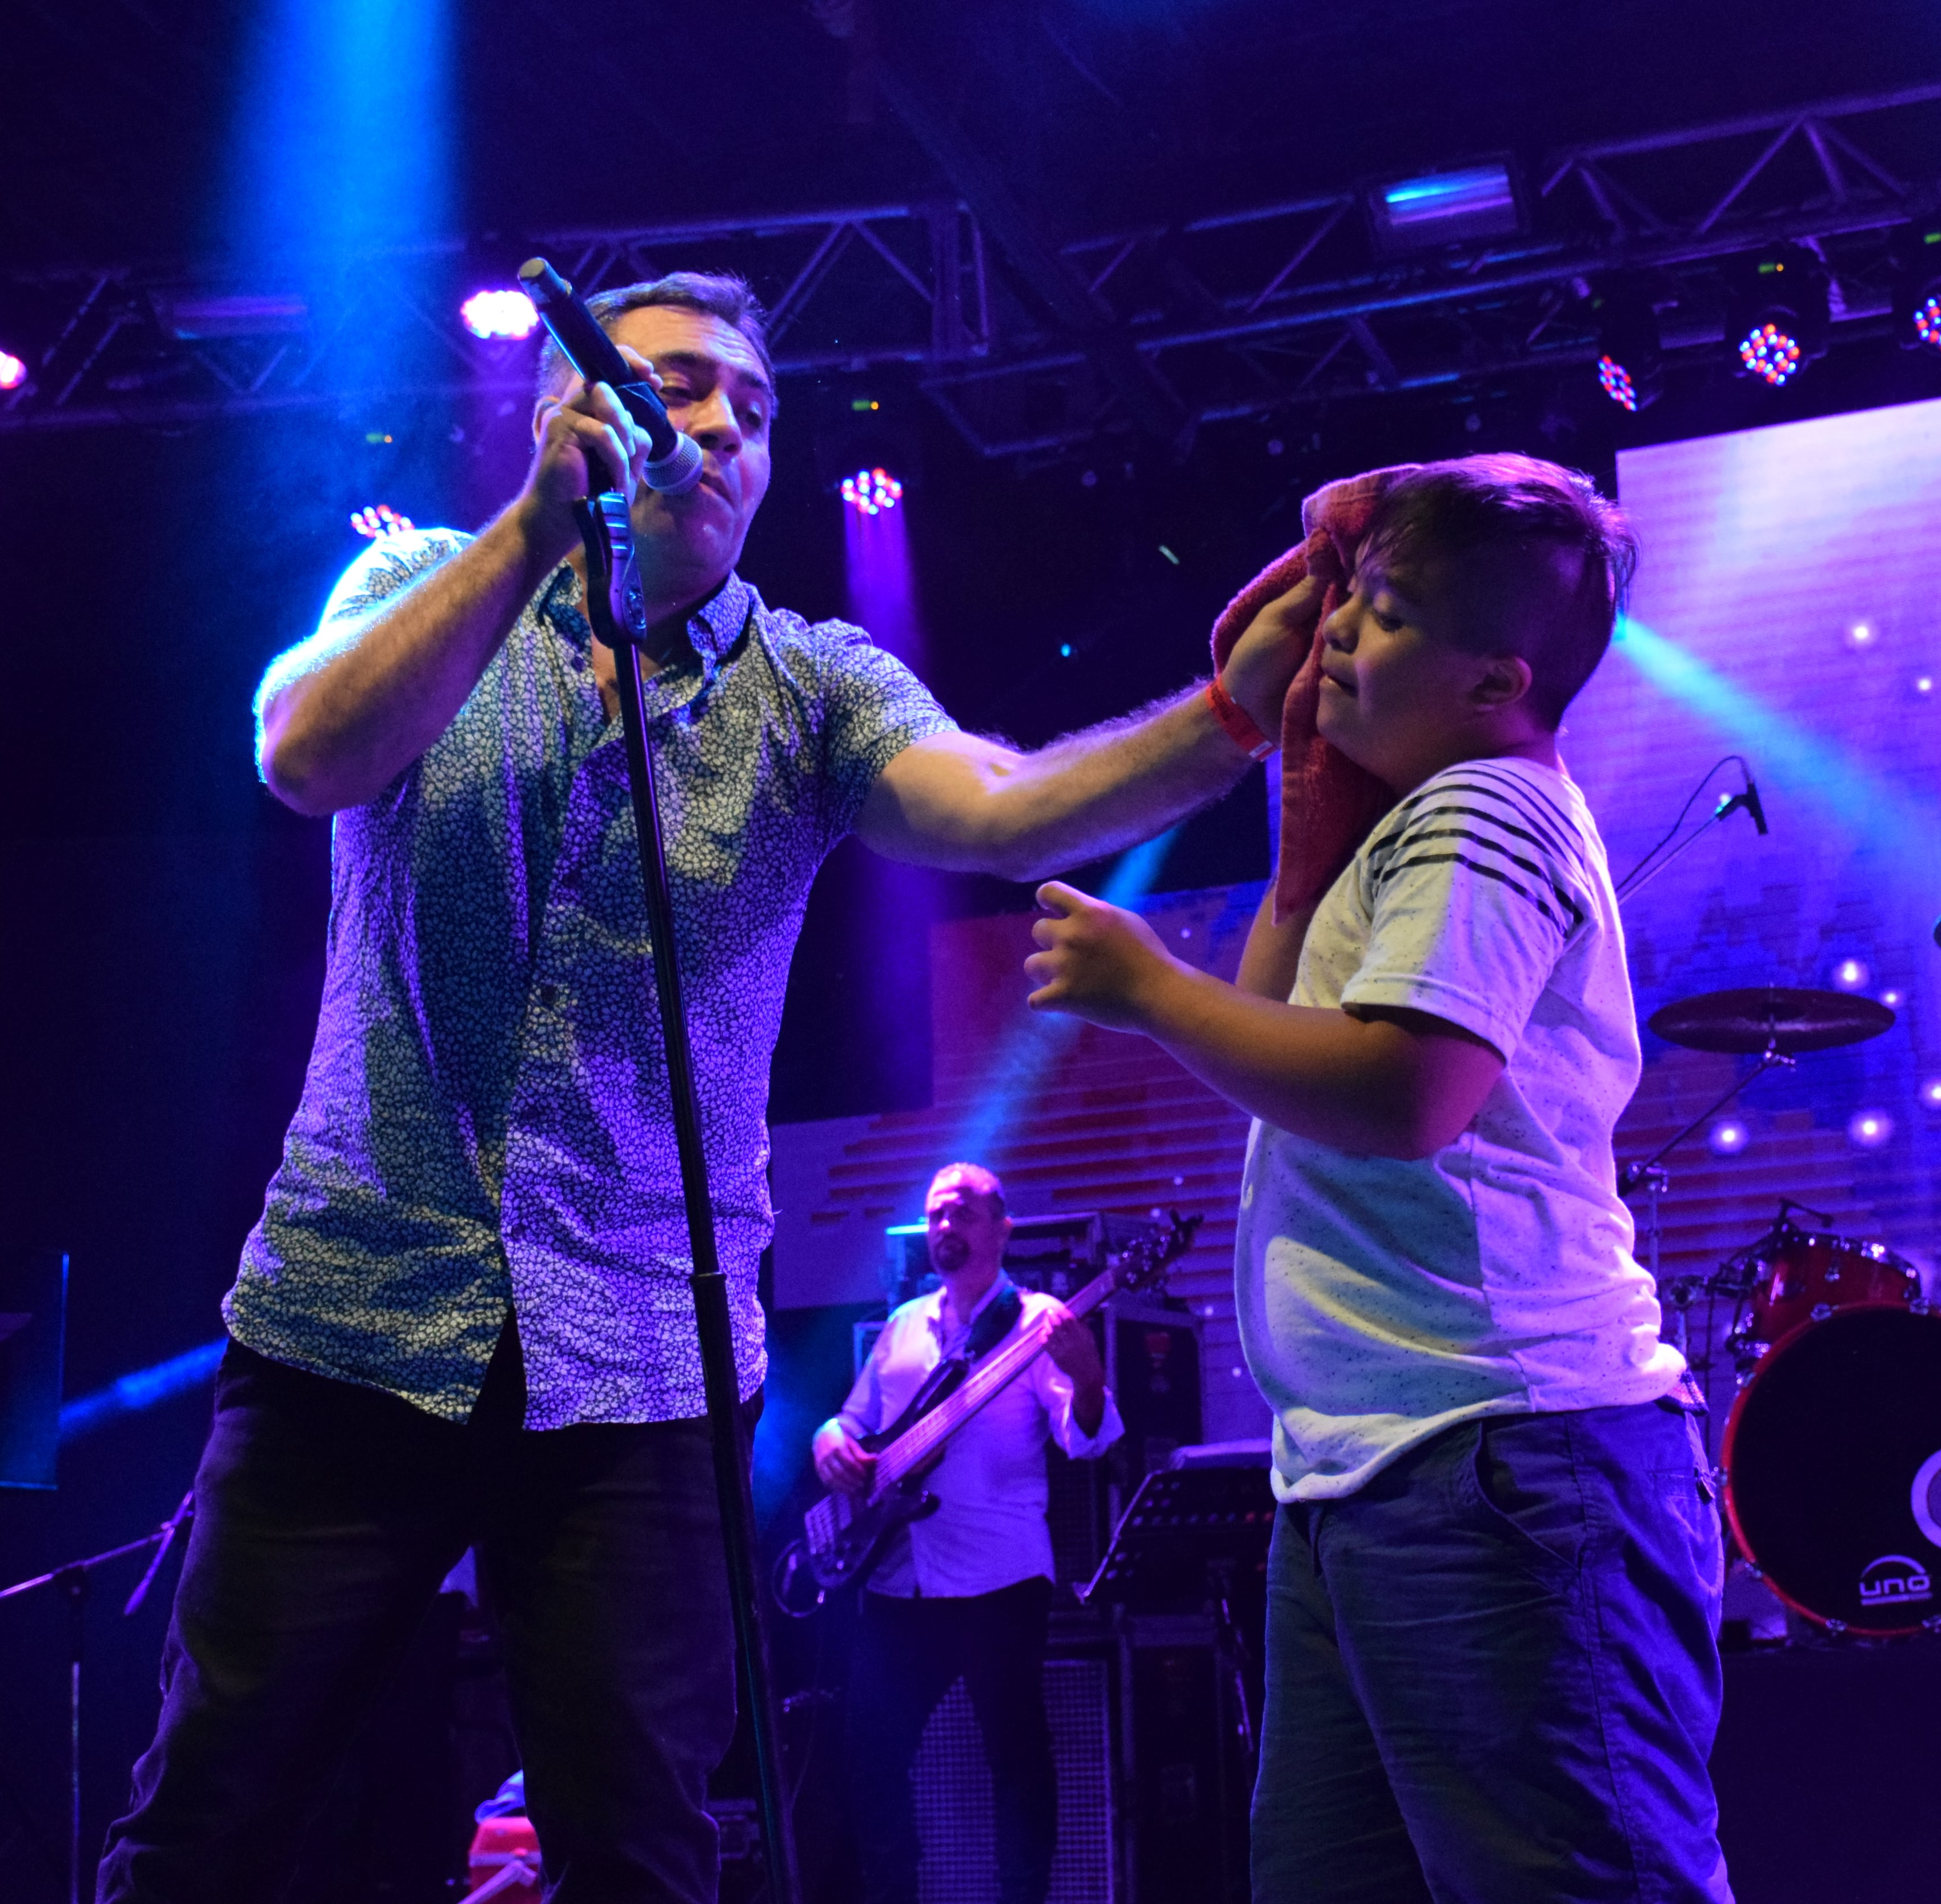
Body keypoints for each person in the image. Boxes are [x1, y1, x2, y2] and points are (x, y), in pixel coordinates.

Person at [98, 272, 1312, 1903]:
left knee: (644, 1848)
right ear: (570, 408)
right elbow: (305, 751)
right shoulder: (417, 580)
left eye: (754, 401)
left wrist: (1233, 714)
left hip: (647, 1359)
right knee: (219, 1814)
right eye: (680, 383)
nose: (726, 425)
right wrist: (535, 533)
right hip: (356, 1314)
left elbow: (1007, 806)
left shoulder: (811, 686)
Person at [1021, 455, 1730, 1903]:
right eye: (1349, 604)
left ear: (1495, 681)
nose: (1339, 634)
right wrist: (1308, 781)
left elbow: (1404, 1092)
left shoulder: (1491, 814)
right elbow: (1279, 1011)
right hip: (1373, 1464)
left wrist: (1150, 989)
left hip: (1504, 1456)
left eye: (1388, 614)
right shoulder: (1397, 834)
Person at [812, 1162, 1115, 1904]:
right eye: (937, 1216)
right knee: (868, 1753)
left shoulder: (1039, 1320)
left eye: (963, 1215)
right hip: (899, 1577)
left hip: (999, 1581)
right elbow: (850, 1424)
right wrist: (828, 1442)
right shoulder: (903, 1327)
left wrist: (1089, 1378)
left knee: (1016, 1756)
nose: (946, 1228)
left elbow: (1089, 1441)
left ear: (1001, 1228)